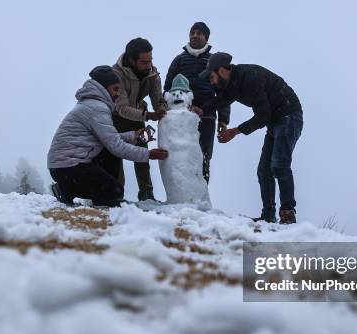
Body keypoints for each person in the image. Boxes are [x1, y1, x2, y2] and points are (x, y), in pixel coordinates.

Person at [197, 52, 303, 224]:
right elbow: (220, 101)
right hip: (274, 121)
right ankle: (268, 215)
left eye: (211, 77)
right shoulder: (232, 84)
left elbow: (263, 116)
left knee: (279, 164)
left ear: (222, 71)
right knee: (264, 170)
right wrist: (201, 110)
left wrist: (235, 131)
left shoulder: (250, 77)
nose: (211, 82)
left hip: (289, 116)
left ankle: (288, 214)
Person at [47, 65, 168, 207]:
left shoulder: (93, 104)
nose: (118, 94)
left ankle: (68, 189)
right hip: (68, 166)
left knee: (109, 158)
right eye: (115, 89)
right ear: (104, 88)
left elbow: (110, 139)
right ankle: (72, 190)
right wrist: (149, 154)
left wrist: (134, 136)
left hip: (64, 166)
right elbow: (116, 146)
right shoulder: (97, 108)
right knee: (114, 190)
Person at [164, 22, 230, 183]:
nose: (194, 35)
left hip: (207, 114)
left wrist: (223, 118)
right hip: (182, 114)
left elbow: (224, 92)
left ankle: (202, 193)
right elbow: (167, 87)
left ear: (206, 38)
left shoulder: (213, 61)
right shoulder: (179, 60)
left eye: (199, 33)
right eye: (192, 32)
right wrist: (164, 109)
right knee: (182, 152)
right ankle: (182, 191)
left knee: (204, 155)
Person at [112, 38, 167, 201]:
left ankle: (146, 193)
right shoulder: (115, 74)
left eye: (150, 60)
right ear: (131, 60)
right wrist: (149, 116)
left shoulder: (152, 72)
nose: (148, 65)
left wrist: (161, 110)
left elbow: (157, 97)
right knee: (114, 154)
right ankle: (116, 193)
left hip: (137, 114)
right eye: (144, 62)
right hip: (114, 117)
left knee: (143, 151)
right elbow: (121, 108)